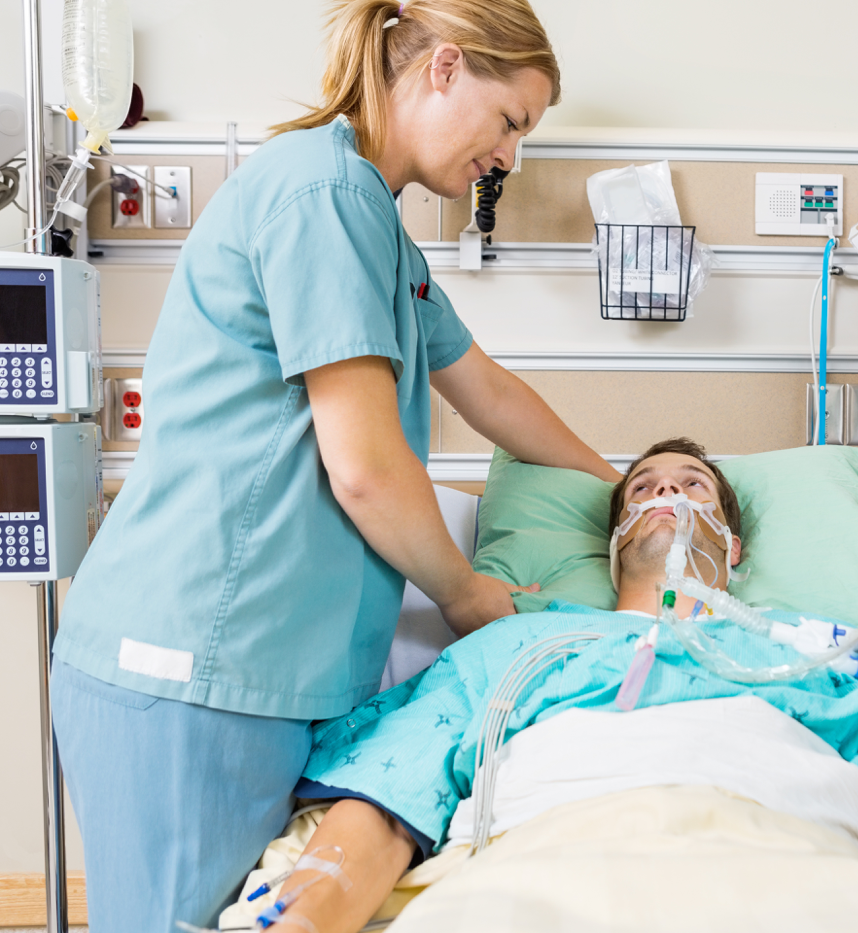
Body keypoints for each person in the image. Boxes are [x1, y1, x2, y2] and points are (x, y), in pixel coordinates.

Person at [48, 2, 619, 929]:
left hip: (255, 676)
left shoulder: (376, 227)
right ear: (443, 68)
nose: (510, 157)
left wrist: (621, 490)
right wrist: (467, 592)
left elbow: (490, 390)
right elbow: (361, 465)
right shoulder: (325, 195)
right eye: (511, 121)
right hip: (191, 662)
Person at [251, 439, 858, 933]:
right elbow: (390, 801)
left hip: (794, 861)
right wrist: (308, 914)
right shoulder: (518, 647)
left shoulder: (807, 656)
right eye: (644, 489)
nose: (667, 495)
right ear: (615, 538)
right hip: (549, 865)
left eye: (693, 485)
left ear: (732, 550)